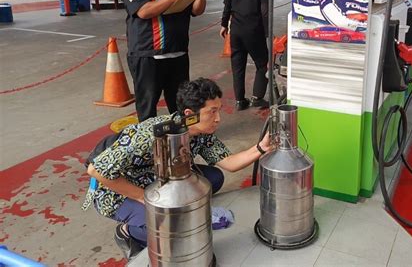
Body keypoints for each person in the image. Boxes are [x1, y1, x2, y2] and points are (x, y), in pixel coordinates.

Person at [82, 78, 273, 259]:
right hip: (116, 191)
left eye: (219, 111)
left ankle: (169, 209)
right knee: (169, 232)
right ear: (190, 114)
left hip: (158, 180)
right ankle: (127, 233)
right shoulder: (149, 135)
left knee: (214, 178)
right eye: (212, 112)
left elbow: (229, 163)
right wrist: (144, 198)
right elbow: (96, 171)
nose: (218, 119)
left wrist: (260, 148)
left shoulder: (200, 132)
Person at [122, 0, 212, 122]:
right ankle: (149, 145)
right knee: (147, 106)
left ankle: (182, 141)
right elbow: (143, 11)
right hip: (148, 55)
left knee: (182, 105)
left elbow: (195, 11)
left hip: (178, 54)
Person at [220, 0, 269, 111]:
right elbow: (264, 10)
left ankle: (240, 101)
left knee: (238, 65)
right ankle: (257, 98)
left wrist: (223, 25)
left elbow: (227, 6)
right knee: (262, 64)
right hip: (254, 30)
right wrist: (267, 31)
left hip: (236, 30)